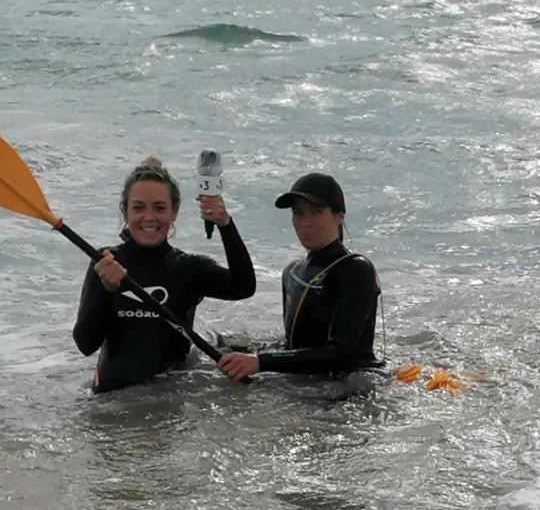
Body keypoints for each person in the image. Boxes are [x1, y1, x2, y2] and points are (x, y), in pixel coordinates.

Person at [73, 157, 255, 392]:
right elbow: (85, 345)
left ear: (174, 212)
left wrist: (225, 224)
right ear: (125, 211)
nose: (149, 217)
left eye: (159, 208)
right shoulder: (106, 262)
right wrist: (107, 290)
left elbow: (244, 287)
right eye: (138, 207)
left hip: (169, 408)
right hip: (109, 405)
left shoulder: (189, 269)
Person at [218, 172, 382, 382]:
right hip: (304, 386)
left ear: (339, 216)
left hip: (349, 390)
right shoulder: (292, 272)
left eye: (316, 211)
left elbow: (341, 353)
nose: (305, 222)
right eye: (298, 212)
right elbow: (294, 346)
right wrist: (239, 349)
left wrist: (260, 362)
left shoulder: (356, 271)